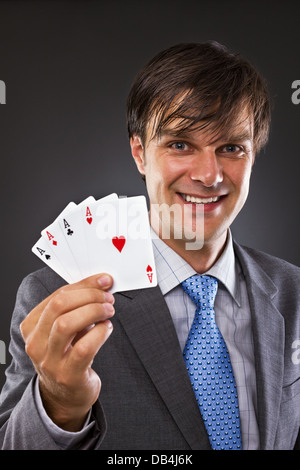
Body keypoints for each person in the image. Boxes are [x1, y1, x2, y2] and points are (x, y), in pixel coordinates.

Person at [0, 41, 299, 450]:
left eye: (230, 148)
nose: (209, 175)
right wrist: (58, 404)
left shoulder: (294, 295)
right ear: (140, 153)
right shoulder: (56, 297)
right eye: (180, 144)